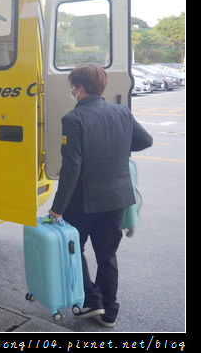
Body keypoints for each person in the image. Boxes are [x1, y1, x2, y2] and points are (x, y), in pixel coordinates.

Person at [48, 64, 153, 328]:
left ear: (80, 88)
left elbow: (71, 168)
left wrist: (57, 208)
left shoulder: (73, 120)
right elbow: (145, 141)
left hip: (84, 201)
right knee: (107, 255)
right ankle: (109, 311)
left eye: (72, 85)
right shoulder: (121, 112)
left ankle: (92, 300)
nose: (71, 90)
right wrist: (116, 145)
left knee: (71, 249)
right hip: (117, 199)